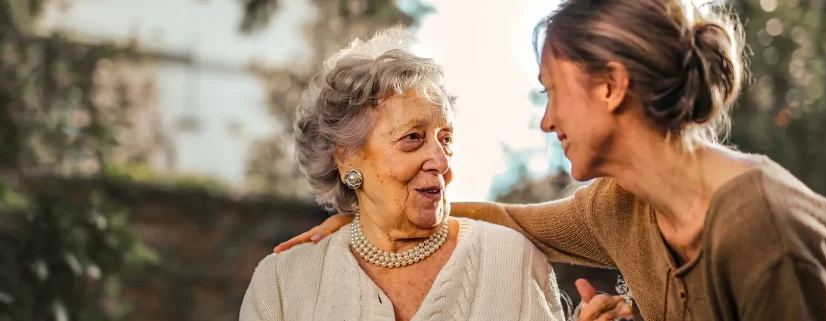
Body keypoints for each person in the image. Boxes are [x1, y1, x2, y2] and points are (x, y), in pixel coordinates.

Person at [273, 0, 826, 320]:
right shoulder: (620, 207)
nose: (547, 121)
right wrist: (368, 216)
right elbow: (508, 219)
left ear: (611, 87)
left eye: (551, 90)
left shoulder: (761, 227)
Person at [239, 28, 633, 321]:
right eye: (413, 138)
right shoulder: (284, 283)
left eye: (445, 139)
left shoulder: (511, 259)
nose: (441, 162)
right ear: (347, 160)